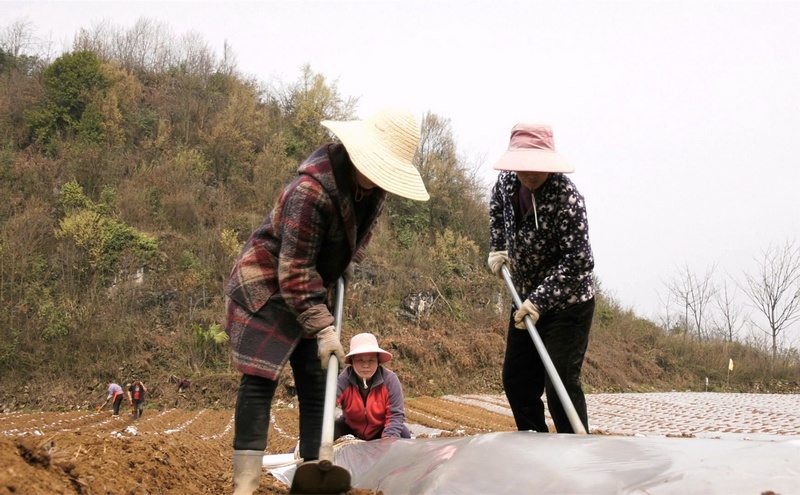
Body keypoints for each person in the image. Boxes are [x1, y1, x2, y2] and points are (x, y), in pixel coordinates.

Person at [224, 108, 429, 495]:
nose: (382, 180)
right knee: (260, 378)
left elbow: (359, 236)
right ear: (359, 156)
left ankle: (314, 468)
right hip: (268, 286)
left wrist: (346, 263)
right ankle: (245, 483)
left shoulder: (373, 189)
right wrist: (321, 327)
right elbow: (294, 270)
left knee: (318, 380)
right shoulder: (311, 191)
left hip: (311, 285)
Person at [487, 123, 595, 434]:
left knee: (559, 381)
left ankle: (575, 452)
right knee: (517, 379)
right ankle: (534, 446)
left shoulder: (567, 199)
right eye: (525, 166)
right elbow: (496, 209)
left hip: (567, 305)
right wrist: (498, 247)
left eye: (539, 166)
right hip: (523, 298)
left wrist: (541, 299)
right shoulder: (506, 183)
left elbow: (580, 263)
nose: (531, 173)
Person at [335, 333, 411, 441]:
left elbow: (396, 415)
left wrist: (387, 442)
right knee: (326, 433)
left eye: (371, 360)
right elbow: (327, 406)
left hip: (380, 428)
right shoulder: (344, 380)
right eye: (360, 360)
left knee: (404, 435)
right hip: (350, 427)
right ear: (352, 361)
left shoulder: (390, 380)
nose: (366, 365)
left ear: (378, 361)